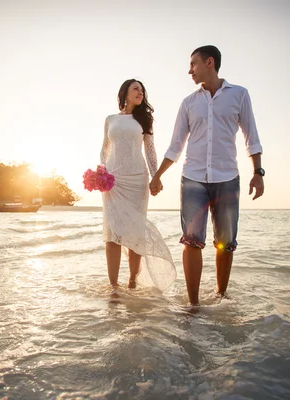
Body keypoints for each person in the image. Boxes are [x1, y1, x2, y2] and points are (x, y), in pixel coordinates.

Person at [149, 45, 264, 305]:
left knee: (225, 242)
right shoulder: (188, 103)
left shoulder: (240, 95)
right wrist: (157, 176)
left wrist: (257, 172)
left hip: (227, 178)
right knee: (191, 241)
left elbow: (251, 137)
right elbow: (176, 145)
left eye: (193, 64)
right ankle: (193, 305)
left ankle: (221, 297)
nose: (189, 70)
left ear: (209, 63)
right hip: (193, 178)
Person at [100, 79, 176, 291]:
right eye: (136, 89)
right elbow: (104, 149)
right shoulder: (110, 119)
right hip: (113, 181)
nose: (140, 92)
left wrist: (156, 176)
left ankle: (133, 280)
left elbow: (150, 150)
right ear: (124, 93)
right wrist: (101, 172)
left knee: (134, 232)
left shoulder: (144, 120)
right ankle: (114, 286)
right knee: (112, 233)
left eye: (142, 90)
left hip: (136, 180)